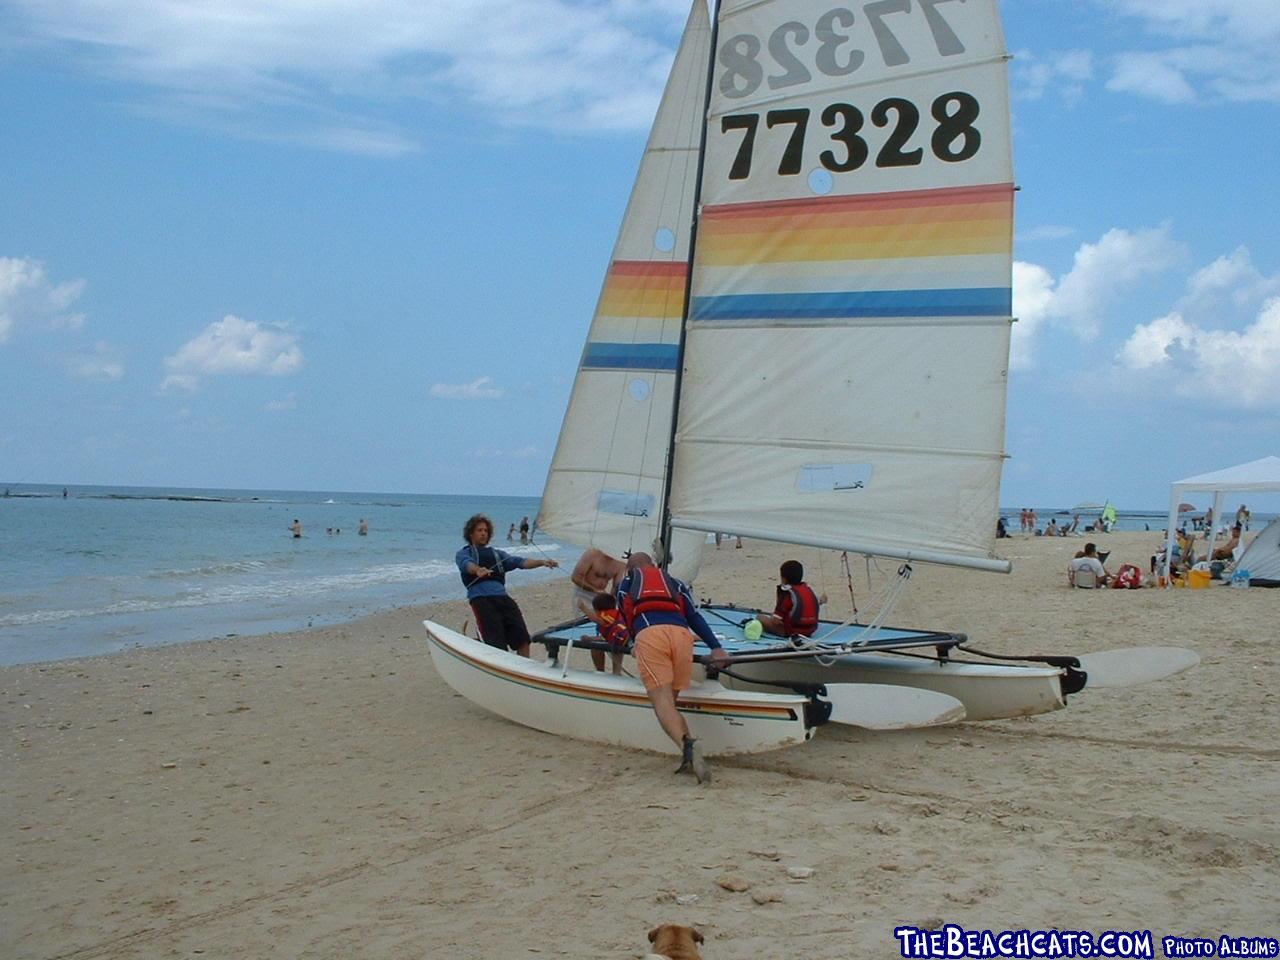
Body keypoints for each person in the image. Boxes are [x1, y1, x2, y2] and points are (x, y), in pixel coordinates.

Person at [617, 553, 728, 783]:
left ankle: (689, 744)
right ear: (653, 565)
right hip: (682, 636)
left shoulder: (627, 583)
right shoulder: (675, 582)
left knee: (662, 704)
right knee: (671, 703)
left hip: (651, 636)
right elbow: (694, 616)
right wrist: (716, 647)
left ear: (630, 569)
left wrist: (632, 642)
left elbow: (626, 615)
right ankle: (688, 757)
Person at [455, 514, 558, 656]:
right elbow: (466, 564)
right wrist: (478, 570)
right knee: (496, 644)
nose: (483, 533)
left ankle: (522, 670)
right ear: (471, 533)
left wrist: (542, 562)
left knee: (523, 639)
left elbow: (520, 562)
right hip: (482, 600)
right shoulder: (464, 553)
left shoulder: (498, 554)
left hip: (503, 598)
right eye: (479, 530)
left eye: (485, 530)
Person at [758, 560, 827, 638]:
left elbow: (776, 621)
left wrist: (772, 618)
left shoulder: (786, 594)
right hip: (810, 631)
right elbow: (816, 602)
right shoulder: (808, 590)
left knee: (760, 617)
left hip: (791, 631)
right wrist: (822, 599)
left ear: (783, 579)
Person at [577, 592, 627, 675]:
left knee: (614, 648)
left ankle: (606, 672)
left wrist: (584, 608)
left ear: (597, 610)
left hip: (621, 640)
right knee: (610, 647)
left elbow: (597, 620)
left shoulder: (605, 614)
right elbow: (604, 637)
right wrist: (589, 638)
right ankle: (615, 672)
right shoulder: (615, 613)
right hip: (620, 638)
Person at [570, 547, 626, 618]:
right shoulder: (592, 554)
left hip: (601, 597)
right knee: (585, 619)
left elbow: (616, 587)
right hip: (583, 593)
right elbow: (575, 577)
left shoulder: (620, 563)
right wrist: (596, 590)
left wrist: (611, 601)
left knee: (605, 620)